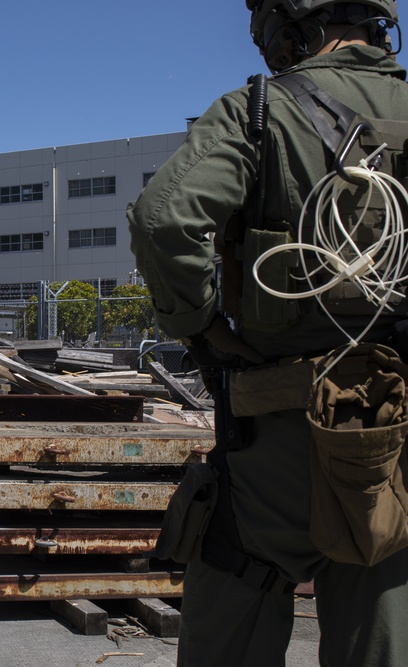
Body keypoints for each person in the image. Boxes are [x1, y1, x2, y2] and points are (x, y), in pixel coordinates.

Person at [128, 1, 408, 665]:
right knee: (382, 610)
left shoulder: (261, 110)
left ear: (288, 24)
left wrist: (202, 329)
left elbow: (165, 219)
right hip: (396, 433)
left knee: (238, 582)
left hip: (279, 430)